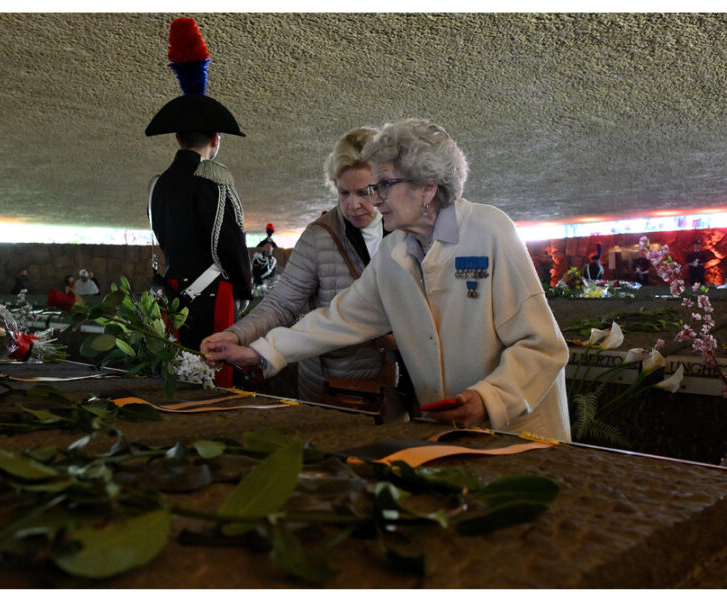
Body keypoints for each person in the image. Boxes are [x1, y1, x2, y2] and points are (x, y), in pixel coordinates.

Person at [204, 119, 571, 441]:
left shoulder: (490, 231)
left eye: (383, 186)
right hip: (448, 429)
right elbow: (338, 319)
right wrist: (260, 351)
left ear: (427, 186)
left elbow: (542, 346)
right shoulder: (394, 251)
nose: (375, 200)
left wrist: (489, 399)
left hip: (519, 430)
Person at [202, 127, 392, 404]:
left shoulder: (408, 227)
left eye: (365, 192)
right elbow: (281, 303)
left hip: (401, 379)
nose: (353, 205)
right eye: (343, 193)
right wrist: (236, 334)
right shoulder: (319, 236)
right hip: (334, 384)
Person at [144, 19, 252, 390]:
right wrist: (244, 287)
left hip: (172, 292)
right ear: (216, 139)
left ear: (176, 138)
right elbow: (230, 242)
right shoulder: (214, 180)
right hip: (212, 294)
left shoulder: (158, 184)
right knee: (215, 380)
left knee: (178, 374)